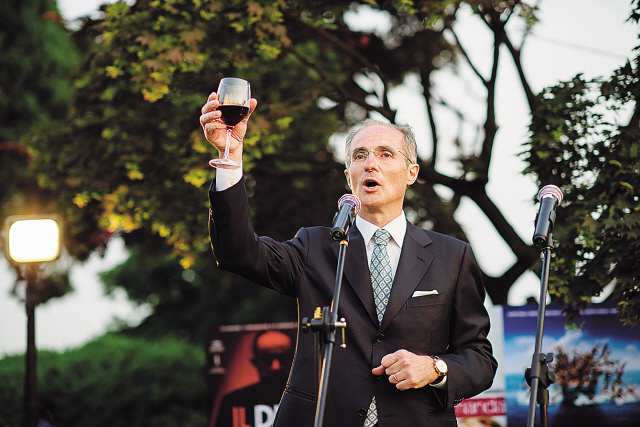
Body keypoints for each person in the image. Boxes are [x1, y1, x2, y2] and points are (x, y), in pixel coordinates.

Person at [200, 91, 497, 427]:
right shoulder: (316, 246)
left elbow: (479, 357)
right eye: (359, 156)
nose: (370, 163)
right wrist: (230, 156)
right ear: (348, 176)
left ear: (411, 173)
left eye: (386, 154)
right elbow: (237, 252)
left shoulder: (452, 256)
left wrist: (434, 368)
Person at [214, 329, 295, 427]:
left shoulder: (310, 399)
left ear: (293, 360)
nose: (275, 366)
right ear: (255, 362)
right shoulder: (233, 401)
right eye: (267, 359)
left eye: (282, 358)